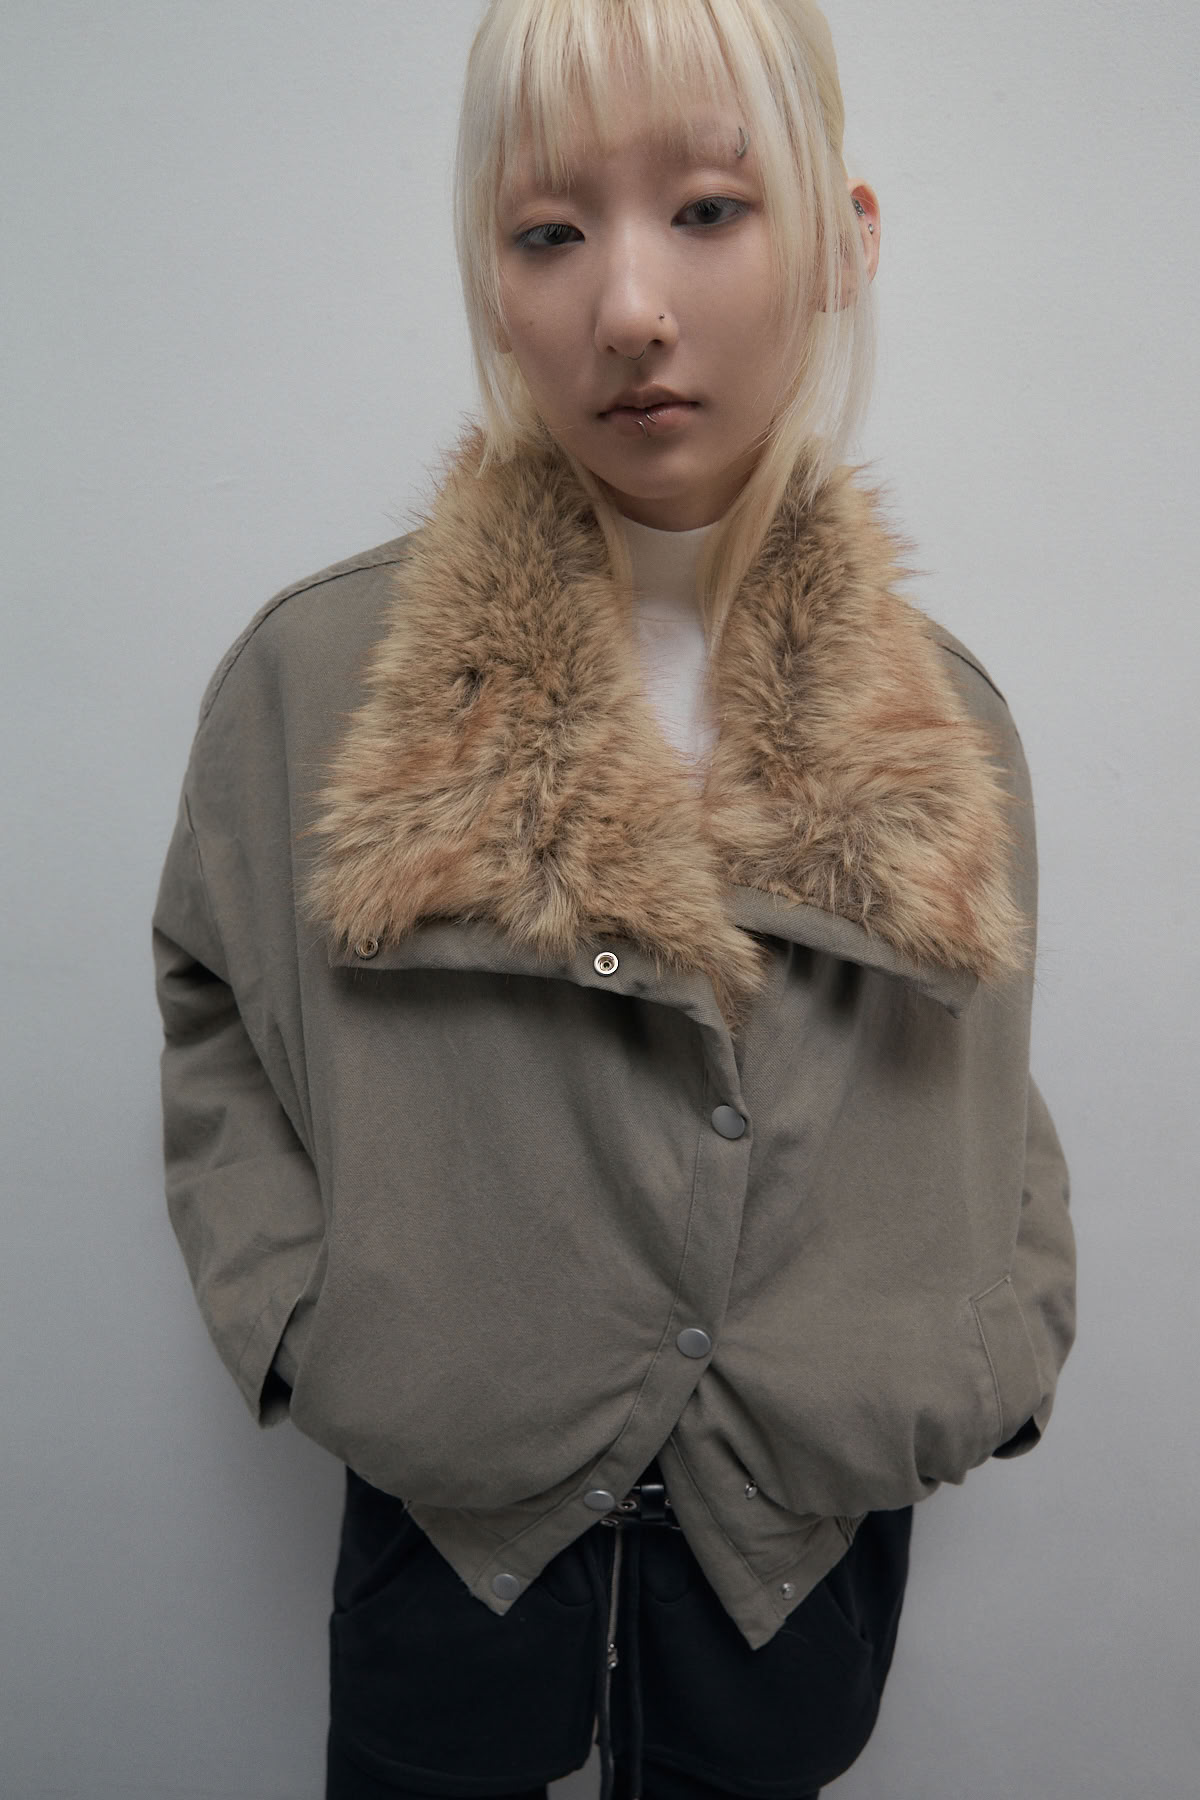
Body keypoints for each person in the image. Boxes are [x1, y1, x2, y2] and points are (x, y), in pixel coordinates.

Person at [152, 2, 1076, 1797]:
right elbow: (212, 1003)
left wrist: (993, 1339)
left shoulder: (942, 719)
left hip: (793, 1558)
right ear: (491, 278)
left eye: (710, 210)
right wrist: (306, 1324)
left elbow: (983, 1089)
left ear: (844, 242)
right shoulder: (318, 680)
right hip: (452, 1544)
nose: (630, 307)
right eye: (549, 231)